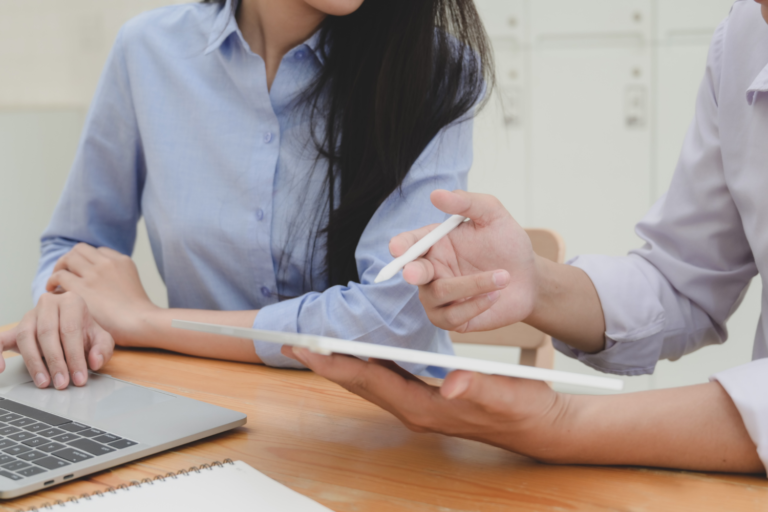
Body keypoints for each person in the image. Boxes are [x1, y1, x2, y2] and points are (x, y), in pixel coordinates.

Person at [283, 0, 768, 474]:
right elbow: (684, 285)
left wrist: (562, 424)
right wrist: (535, 283)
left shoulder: (437, 69)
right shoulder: (748, 31)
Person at [0, 0, 493, 389]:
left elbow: (392, 322)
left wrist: (149, 322)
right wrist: (68, 313)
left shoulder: (437, 71)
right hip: (203, 414)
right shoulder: (147, 51)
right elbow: (73, 248)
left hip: (387, 436)